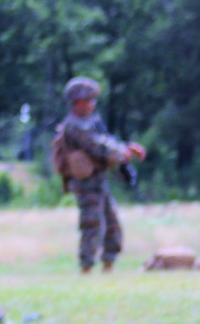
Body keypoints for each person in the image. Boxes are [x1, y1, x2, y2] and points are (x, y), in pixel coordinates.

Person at [55, 77, 146, 273]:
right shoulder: (75, 126)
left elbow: (105, 141)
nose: (93, 105)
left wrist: (125, 149)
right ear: (79, 102)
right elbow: (97, 147)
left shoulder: (89, 123)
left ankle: (108, 267)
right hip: (86, 184)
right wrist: (124, 152)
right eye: (90, 100)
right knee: (92, 225)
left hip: (98, 181)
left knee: (112, 225)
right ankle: (86, 268)